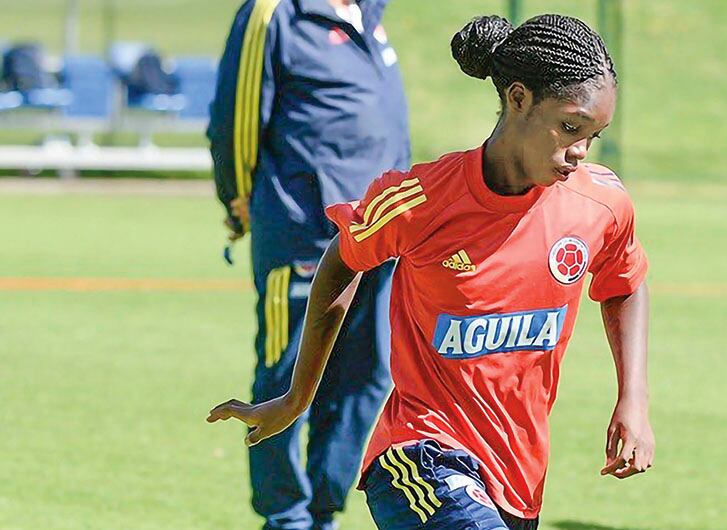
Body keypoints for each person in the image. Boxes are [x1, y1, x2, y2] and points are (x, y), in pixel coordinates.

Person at [209, 13, 654, 530]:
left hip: (515, 477)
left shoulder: (598, 204)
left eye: (593, 136)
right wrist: (297, 397)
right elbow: (342, 258)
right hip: (418, 456)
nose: (578, 151)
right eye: (570, 127)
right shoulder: (421, 199)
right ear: (518, 99)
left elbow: (624, 282)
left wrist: (633, 400)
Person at [206, 1, 409, 529]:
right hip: (303, 234)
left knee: (367, 376)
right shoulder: (276, 13)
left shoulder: (369, 13)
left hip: (381, 237)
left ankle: (323, 510)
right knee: (285, 375)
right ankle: (286, 516)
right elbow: (237, 113)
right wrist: (237, 195)